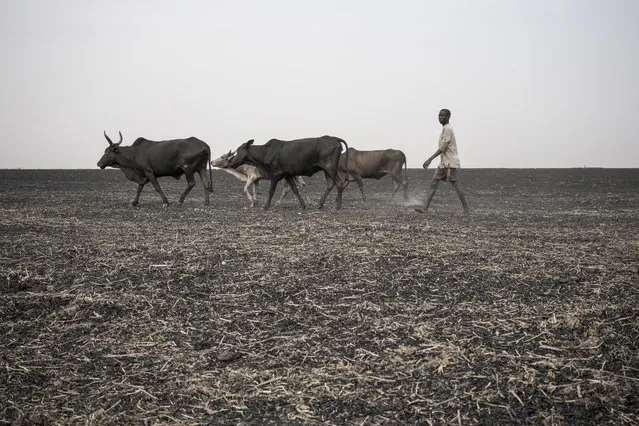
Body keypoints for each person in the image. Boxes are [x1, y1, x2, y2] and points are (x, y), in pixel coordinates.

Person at [416, 108, 470, 215]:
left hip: (449, 163)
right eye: (439, 116)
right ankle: (425, 208)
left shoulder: (448, 129)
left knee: (456, 184)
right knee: (434, 183)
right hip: (444, 163)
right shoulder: (445, 129)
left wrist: (429, 159)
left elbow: (443, 147)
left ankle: (466, 209)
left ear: (448, 117)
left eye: (443, 116)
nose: (440, 118)